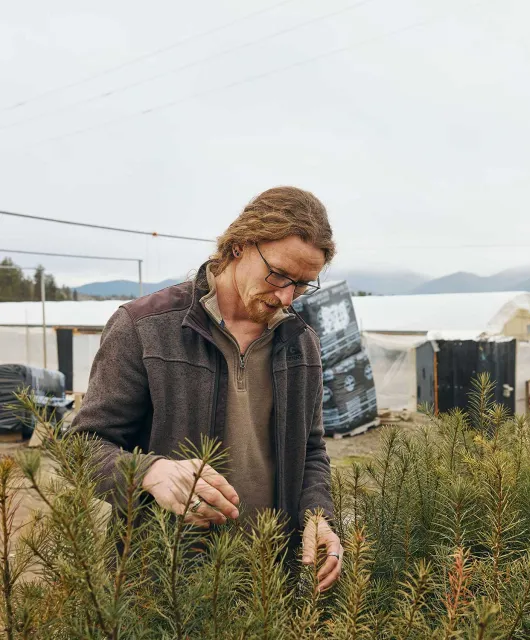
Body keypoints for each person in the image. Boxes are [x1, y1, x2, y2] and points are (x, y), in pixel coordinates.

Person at [72, 186, 342, 591]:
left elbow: (312, 451)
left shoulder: (302, 343)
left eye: (302, 285)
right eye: (279, 275)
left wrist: (319, 518)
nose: (287, 296)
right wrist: (150, 472)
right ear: (238, 246)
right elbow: (82, 448)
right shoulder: (144, 328)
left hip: (272, 586)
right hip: (167, 588)